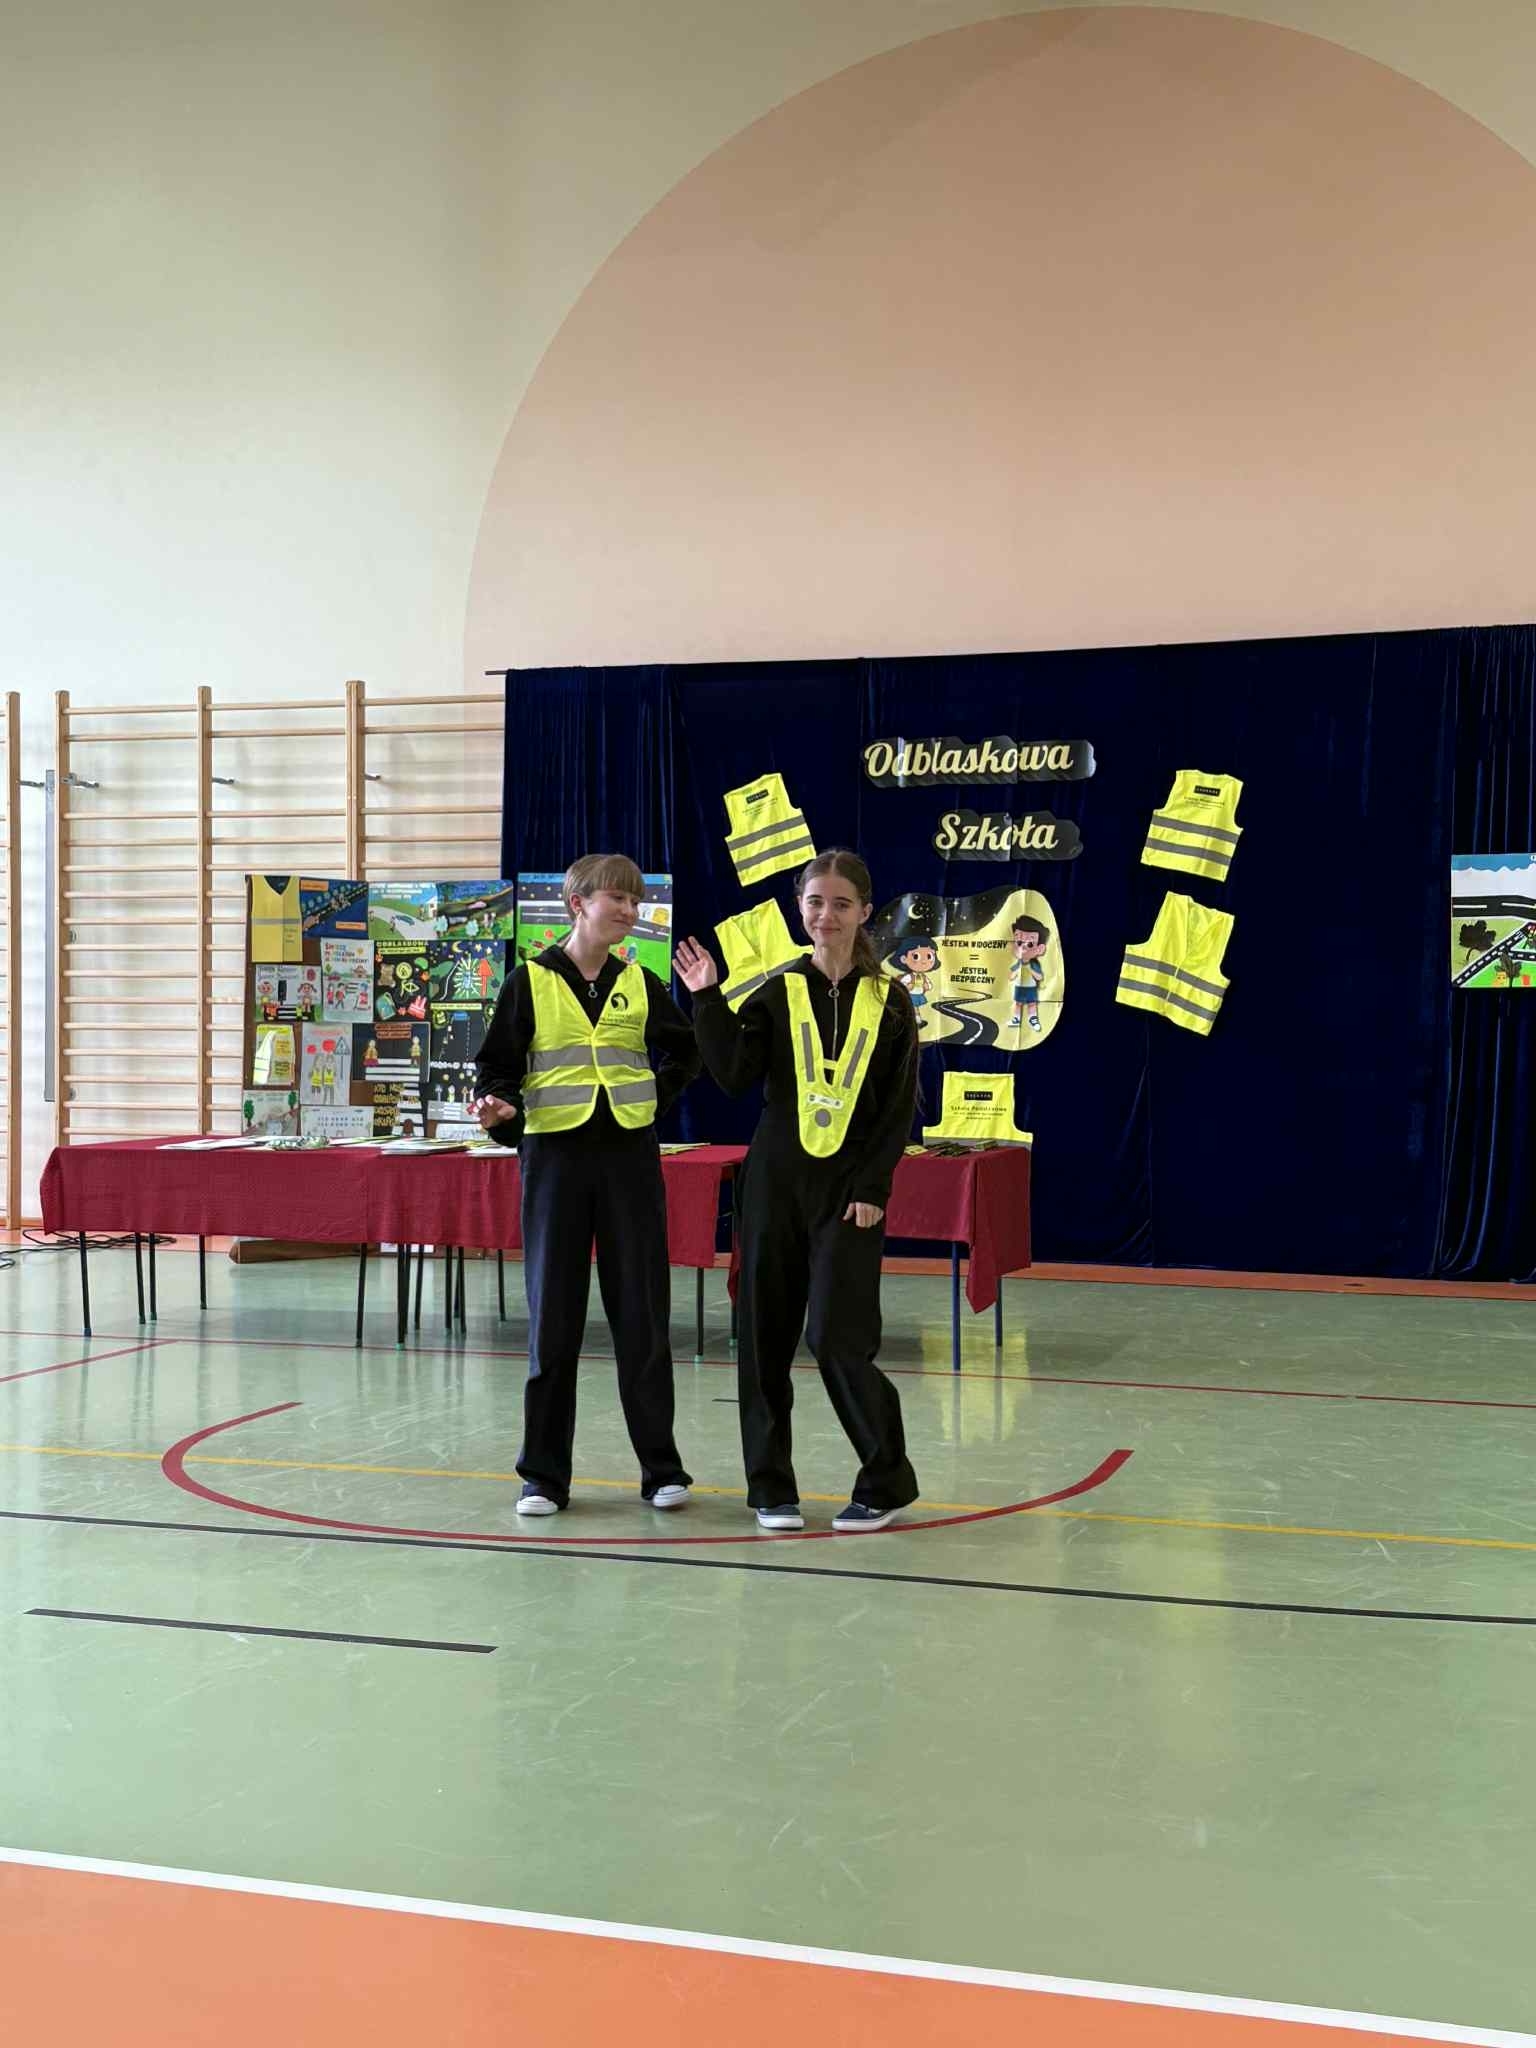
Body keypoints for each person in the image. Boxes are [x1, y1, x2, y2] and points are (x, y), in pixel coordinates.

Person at [675, 849, 920, 1532]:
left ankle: (886, 1480)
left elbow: (897, 1109)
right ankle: (770, 1487)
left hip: (849, 1195)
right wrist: (706, 998)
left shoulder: (892, 1001)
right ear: (800, 909)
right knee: (763, 1339)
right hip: (773, 1186)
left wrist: (873, 1186)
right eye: (815, 902)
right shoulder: (777, 991)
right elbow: (733, 1074)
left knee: (839, 1338)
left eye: (841, 904)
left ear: (864, 912)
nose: (826, 915)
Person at [472, 853, 699, 1517]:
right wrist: (501, 1111)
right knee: (554, 1320)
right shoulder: (529, 982)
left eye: (635, 900)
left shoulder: (641, 982)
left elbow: (687, 1050)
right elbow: (495, 1070)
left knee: (643, 1318)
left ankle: (662, 1470)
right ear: (578, 903)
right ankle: (542, 1477)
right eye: (616, 898)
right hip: (555, 1160)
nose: (630, 910)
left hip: (629, 1159)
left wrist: (655, 1099)